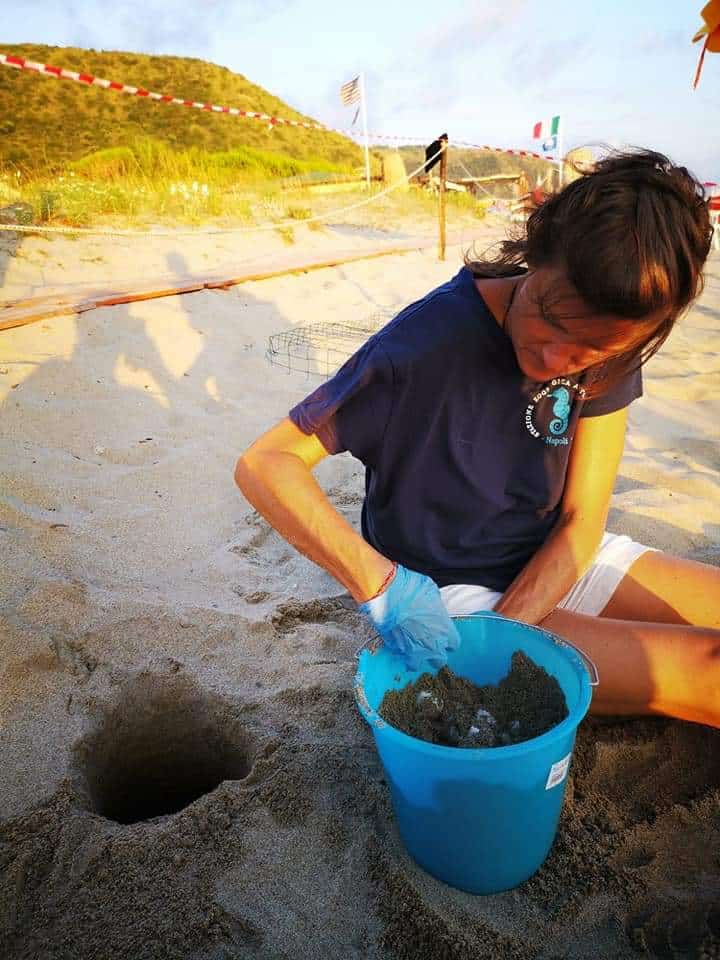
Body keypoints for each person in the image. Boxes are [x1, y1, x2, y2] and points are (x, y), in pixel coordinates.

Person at [235, 149, 719, 728]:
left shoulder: (614, 328)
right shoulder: (422, 348)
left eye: (591, 351)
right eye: (550, 318)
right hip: (450, 596)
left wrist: (508, 629)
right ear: (535, 253)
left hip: (558, 561)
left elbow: (581, 522)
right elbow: (266, 462)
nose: (556, 358)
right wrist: (383, 588)